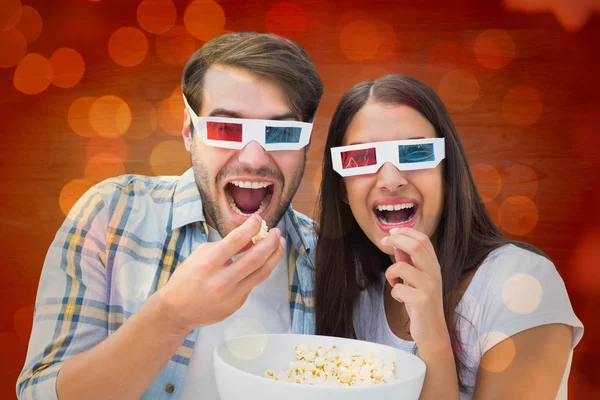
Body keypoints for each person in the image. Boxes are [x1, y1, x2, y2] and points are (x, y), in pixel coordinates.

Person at [17, 32, 323, 400]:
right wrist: (172, 316)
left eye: (282, 132)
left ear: (306, 142)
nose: (255, 158)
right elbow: (39, 394)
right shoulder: (110, 216)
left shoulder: (327, 258)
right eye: (225, 128)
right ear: (188, 131)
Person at [314, 74, 583, 399]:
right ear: (342, 189)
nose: (390, 179)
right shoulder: (355, 297)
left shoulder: (522, 284)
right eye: (361, 160)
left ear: (448, 174)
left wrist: (433, 333)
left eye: (415, 153)